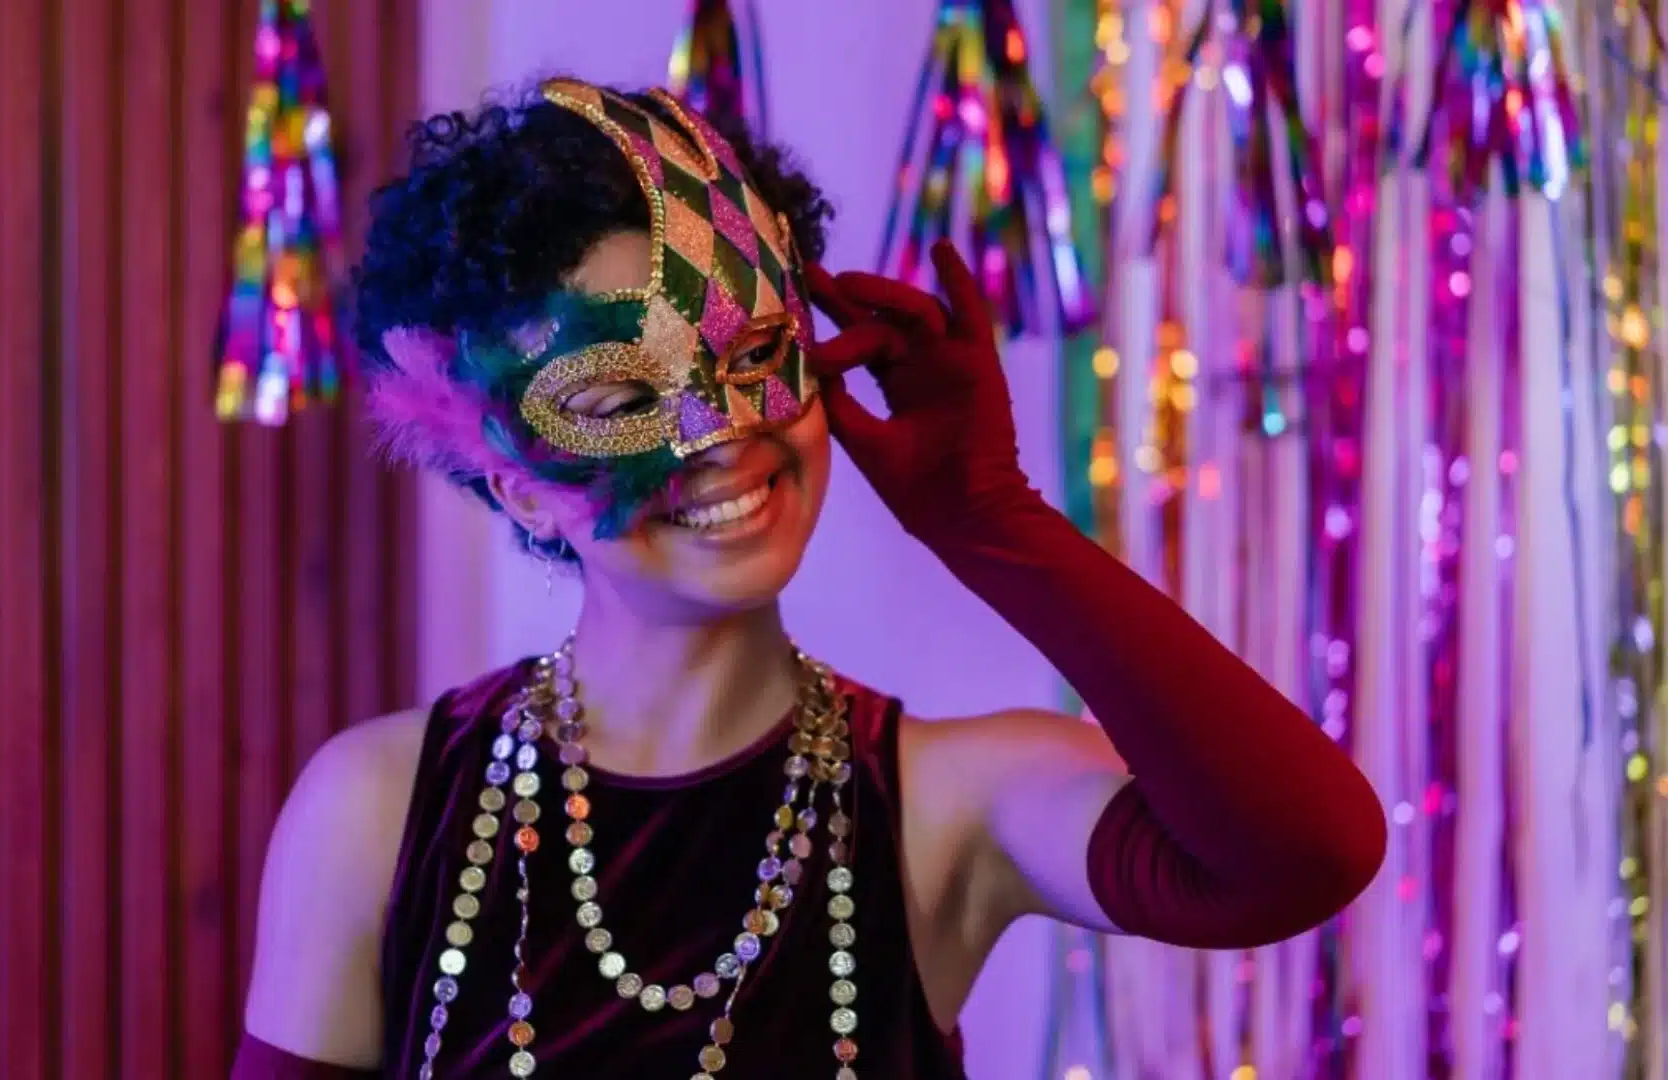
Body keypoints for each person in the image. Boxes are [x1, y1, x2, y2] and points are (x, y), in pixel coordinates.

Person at [232, 77, 1387, 1080]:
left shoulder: (946, 806)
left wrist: (994, 521)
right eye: (624, 400)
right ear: (517, 486)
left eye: (752, 357)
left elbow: (1308, 854)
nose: (721, 434)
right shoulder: (382, 812)